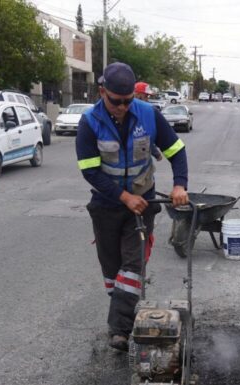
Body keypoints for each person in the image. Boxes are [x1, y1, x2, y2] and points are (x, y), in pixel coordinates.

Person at [76, 62, 189, 352]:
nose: (123, 107)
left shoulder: (149, 115)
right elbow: (90, 171)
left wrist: (179, 185)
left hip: (143, 204)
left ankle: (120, 331)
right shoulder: (89, 122)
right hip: (106, 206)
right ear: (102, 92)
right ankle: (126, 312)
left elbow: (176, 151)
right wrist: (123, 197)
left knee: (133, 265)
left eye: (128, 101)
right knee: (113, 275)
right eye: (116, 101)